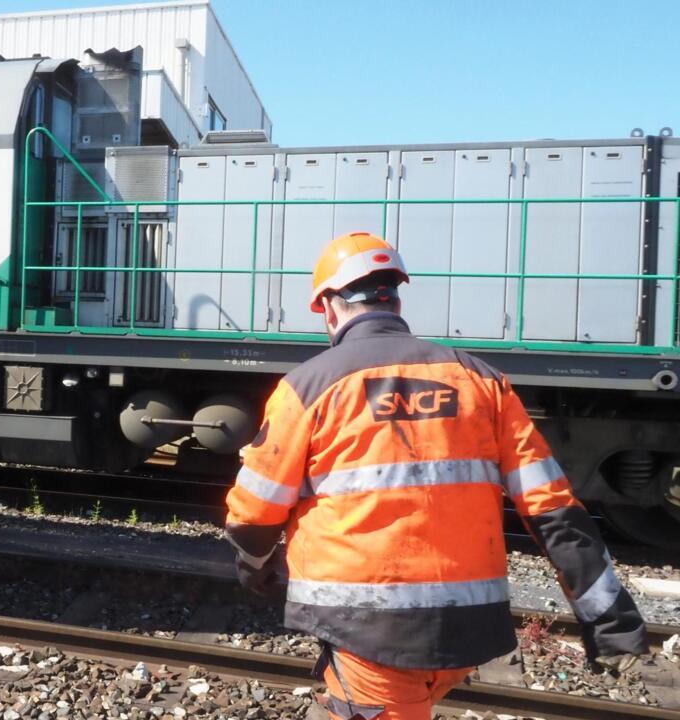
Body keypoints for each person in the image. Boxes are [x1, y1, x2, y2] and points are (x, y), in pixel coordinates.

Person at [224, 232, 648, 720]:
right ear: (396, 297)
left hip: (365, 627)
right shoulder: (482, 380)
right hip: (468, 623)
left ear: (327, 308)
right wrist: (608, 620)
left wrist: (255, 570)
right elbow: (553, 509)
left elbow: (253, 513)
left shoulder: (307, 386)